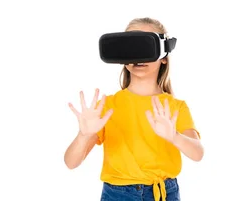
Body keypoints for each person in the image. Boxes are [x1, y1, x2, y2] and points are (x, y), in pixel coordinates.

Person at [63, 17, 204, 201]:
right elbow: (71, 163)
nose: (138, 56)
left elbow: (198, 153)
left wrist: (174, 137)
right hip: (118, 195)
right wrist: (83, 135)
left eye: (144, 46)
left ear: (163, 57)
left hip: (163, 194)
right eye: (131, 48)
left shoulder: (176, 107)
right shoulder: (107, 106)